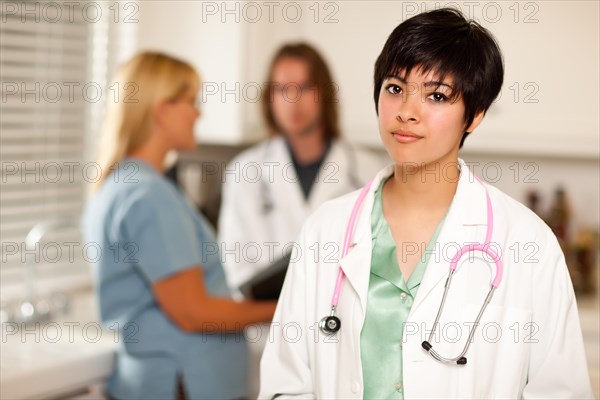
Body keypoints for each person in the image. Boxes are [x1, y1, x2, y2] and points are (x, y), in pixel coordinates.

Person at [259, 9, 594, 399]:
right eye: (395, 88)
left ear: (475, 115)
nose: (406, 112)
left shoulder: (528, 243)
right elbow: (286, 384)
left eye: (436, 95)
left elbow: (560, 391)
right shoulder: (325, 230)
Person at [81, 51, 276, 400]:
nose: (198, 112)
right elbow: (193, 312)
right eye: (191, 101)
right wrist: (281, 309)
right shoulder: (148, 195)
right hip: (184, 382)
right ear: (161, 108)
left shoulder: (119, 184)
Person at [218, 43, 382, 294]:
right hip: (267, 329)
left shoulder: (368, 171)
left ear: (324, 93)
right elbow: (234, 273)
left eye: (304, 88)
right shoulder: (244, 172)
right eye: (282, 89)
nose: (292, 101)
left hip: (339, 324)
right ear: (269, 98)